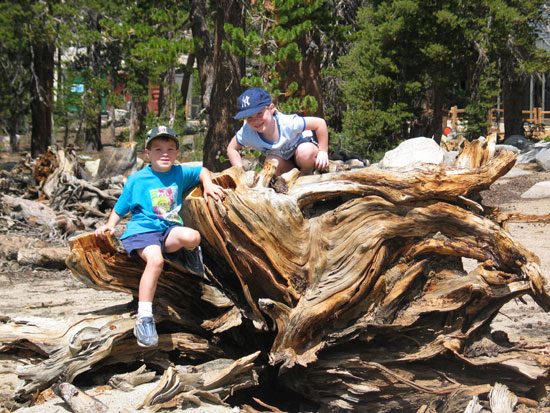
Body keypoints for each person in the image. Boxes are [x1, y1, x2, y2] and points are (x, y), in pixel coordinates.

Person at [95, 125, 225, 348]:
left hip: (168, 231)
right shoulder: (137, 179)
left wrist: (208, 184)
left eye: (170, 149)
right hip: (143, 232)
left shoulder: (179, 173)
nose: (165, 154)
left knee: (193, 237)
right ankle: (144, 317)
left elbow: (202, 171)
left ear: (176, 153)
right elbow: (120, 207)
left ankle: (191, 258)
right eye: (158, 149)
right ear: (148, 153)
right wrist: (110, 225)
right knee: (155, 261)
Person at [227, 87, 330, 176]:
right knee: (271, 163)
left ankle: (307, 175)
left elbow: (319, 123)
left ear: (271, 109)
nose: (255, 121)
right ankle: (289, 181)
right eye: (249, 117)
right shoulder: (247, 132)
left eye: (259, 113)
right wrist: (241, 172)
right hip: (285, 163)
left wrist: (323, 151)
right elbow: (231, 148)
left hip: (304, 155)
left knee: (305, 152)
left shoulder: (288, 123)